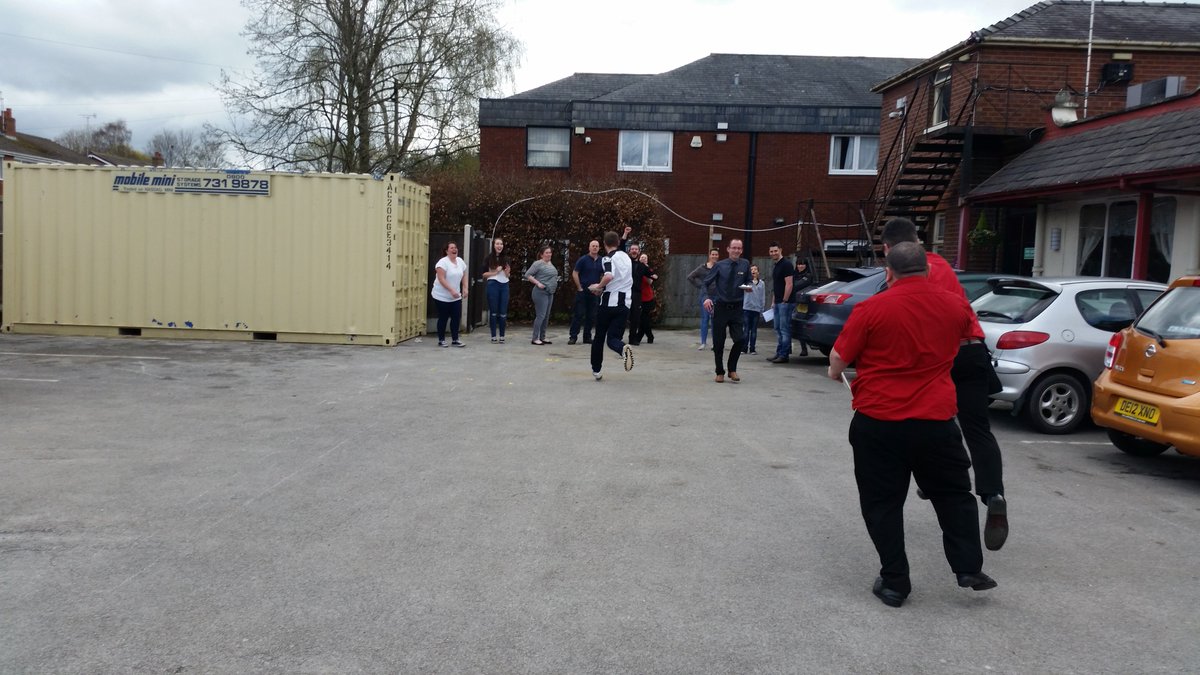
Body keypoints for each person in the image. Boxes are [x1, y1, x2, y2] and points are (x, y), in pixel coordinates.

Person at [827, 242, 997, 608]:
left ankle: (894, 583)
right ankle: (968, 568)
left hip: (879, 421)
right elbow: (971, 343)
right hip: (935, 420)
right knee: (953, 494)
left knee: (882, 503)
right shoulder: (956, 305)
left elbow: (840, 358)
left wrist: (834, 372)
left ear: (888, 272)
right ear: (928, 270)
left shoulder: (871, 307)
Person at [881, 216, 1008, 552]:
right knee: (978, 428)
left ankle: (933, 479)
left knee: (927, 417)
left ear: (888, 250)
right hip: (974, 349)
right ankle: (993, 493)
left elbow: (899, 316)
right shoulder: (942, 265)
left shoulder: (903, 271)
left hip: (941, 354)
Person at [701, 239, 751, 383]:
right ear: (728, 249)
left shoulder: (745, 264)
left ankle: (732, 369)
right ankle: (719, 371)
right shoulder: (719, 266)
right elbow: (705, 283)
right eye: (733, 248)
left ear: (741, 250)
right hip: (721, 308)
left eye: (739, 248)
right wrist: (706, 298)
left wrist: (748, 286)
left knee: (740, 339)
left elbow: (748, 280)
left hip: (737, 308)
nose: (736, 250)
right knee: (718, 342)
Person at [588, 231, 636, 380]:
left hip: (608, 304)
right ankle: (623, 349)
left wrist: (598, 287)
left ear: (604, 244)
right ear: (617, 243)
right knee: (613, 338)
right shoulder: (627, 257)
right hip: (625, 304)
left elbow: (608, 276)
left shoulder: (607, 258)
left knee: (599, 337)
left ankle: (597, 370)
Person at [431, 241, 469, 347]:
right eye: (452, 248)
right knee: (443, 317)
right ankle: (441, 340)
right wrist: (451, 290)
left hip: (455, 296)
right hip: (441, 296)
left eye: (455, 248)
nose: (454, 249)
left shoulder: (460, 261)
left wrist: (465, 288)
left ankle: (455, 339)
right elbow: (441, 279)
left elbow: (464, 275)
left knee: (456, 317)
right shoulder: (442, 263)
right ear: (446, 251)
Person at [569, 240, 604, 345]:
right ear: (589, 247)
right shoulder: (583, 259)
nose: (595, 248)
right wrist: (579, 287)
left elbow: (604, 274)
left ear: (599, 248)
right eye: (593, 246)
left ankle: (587, 337)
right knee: (578, 314)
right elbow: (575, 273)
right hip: (583, 291)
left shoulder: (601, 260)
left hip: (595, 292)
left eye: (597, 246)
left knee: (592, 315)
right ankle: (573, 337)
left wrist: (600, 287)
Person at [687, 248, 720, 350]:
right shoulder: (702, 268)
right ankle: (703, 342)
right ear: (709, 255)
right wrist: (701, 286)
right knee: (705, 319)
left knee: (715, 321)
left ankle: (715, 343)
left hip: (717, 297)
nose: (714, 256)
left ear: (718, 256)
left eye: (716, 254)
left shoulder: (720, 267)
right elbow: (690, 277)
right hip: (705, 297)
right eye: (712, 254)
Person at [525, 245, 558, 346]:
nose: (549, 254)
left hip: (550, 292)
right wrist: (538, 283)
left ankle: (542, 337)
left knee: (546, 316)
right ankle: (535, 338)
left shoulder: (550, 263)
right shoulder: (538, 263)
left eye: (550, 252)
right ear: (542, 254)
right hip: (540, 292)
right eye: (546, 253)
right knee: (541, 315)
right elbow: (527, 275)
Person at [767, 243, 795, 363]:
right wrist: (774, 301)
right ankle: (779, 352)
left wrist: (784, 300)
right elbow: (776, 286)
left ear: (780, 250)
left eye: (775, 251)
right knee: (777, 328)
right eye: (771, 251)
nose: (773, 253)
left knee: (784, 329)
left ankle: (784, 355)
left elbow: (789, 284)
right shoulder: (776, 265)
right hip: (778, 302)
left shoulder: (786, 264)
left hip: (785, 303)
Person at [481, 237, 512, 343]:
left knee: (503, 312)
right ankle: (493, 336)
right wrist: (495, 272)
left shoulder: (507, 259)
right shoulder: (488, 258)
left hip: (504, 285)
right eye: (497, 244)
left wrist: (507, 271)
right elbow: (484, 274)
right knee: (493, 312)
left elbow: (507, 275)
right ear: (493, 245)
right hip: (493, 284)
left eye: (501, 244)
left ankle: (502, 336)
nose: (499, 246)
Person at [633, 253, 658, 345]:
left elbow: (650, 281)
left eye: (645, 258)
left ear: (647, 260)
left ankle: (641, 336)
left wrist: (646, 273)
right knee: (642, 318)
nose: (643, 258)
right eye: (642, 257)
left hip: (647, 296)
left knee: (644, 317)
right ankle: (648, 336)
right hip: (638, 295)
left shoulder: (648, 270)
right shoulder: (636, 268)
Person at [791, 255, 813, 357]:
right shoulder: (794, 274)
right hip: (793, 301)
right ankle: (789, 347)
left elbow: (796, 285)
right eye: (799, 264)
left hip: (803, 304)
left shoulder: (808, 275)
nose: (800, 266)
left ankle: (804, 348)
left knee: (801, 325)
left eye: (802, 264)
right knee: (791, 325)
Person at [742, 264, 766, 355]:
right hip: (747, 308)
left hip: (756, 309)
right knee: (746, 329)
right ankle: (744, 348)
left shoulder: (762, 283)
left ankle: (752, 348)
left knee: (754, 330)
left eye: (755, 269)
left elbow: (762, 297)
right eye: (752, 269)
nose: (753, 271)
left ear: (758, 272)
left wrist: (762, 309)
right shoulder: (746, 282)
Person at [628, 243, 647, 344]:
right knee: (622, 315)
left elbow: (651, 274)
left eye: (636, 249)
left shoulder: (641, 266)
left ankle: (632, 338)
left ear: (639, 252)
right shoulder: (625, 263)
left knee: (635, 317)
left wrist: (654, 276)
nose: (634, 251)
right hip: (625, 292)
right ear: (629, 251)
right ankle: (616, 336)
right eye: (632, 249)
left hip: (636, 294)